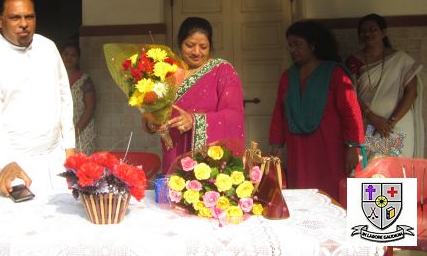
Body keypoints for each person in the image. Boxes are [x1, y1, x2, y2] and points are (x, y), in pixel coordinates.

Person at [0, 0, 76, 197]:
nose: (24, 24)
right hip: (13, 166)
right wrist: (6, 162)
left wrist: (69, 146)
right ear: (0, 20)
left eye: (29, 16)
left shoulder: (48, 47)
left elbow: (64, 96)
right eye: (15, 18)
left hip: (54, 159)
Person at [269, 20, 364, 202]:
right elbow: (279, 113)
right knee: (302, 191)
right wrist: (276, 145)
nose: (292, 49)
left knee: (332, 191)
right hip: (298, 146)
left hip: (329, 146)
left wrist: (352, 148)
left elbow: (350, 112)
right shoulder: (288, 77)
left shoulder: (335, 73)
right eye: (290, 45)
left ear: (313, 45)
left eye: (297, 44)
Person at [143, 17, 245, 173]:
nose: (197, 52)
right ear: (180, 44)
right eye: (190, 45)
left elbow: (234, 115)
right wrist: (152, 122)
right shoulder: (165, 72)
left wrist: (194, 120)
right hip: (173, 155)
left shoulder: (222, 71)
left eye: (203, 47)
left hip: (208, 161)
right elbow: (149, 116)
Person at [345, 13, 424, 158]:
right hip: (368, 123)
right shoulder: (353, 61)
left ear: (383, 32)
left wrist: (390, 123)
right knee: (372, 167)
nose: (367, 33)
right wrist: (373, 118)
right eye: (363, 30)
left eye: (372, 29)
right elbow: (350, 94)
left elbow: (411, 92)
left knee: (395, 169)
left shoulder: (400, 59)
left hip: (396, 125)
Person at [60, 42, 96, 155]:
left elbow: (90, 108)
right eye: (66, 54)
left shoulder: (85, 80)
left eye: (73, 55)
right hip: (60, 133)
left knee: (81, 163)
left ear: (78, 59)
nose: (69, 58)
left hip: (81, 131)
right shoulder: (55, 79)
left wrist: (75, 132)